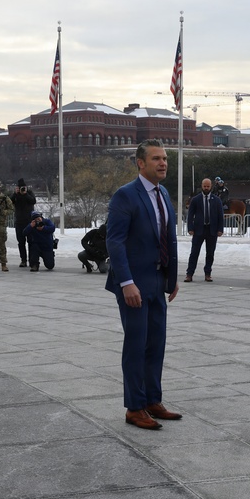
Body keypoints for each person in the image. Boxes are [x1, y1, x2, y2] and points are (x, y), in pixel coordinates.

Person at [105, 139, 181, 431]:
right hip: (133, 284)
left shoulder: (163, 194)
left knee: (155, 345)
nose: (163, 163)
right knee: (136, 346)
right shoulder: (126, 196)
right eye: (156, 159)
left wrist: (171, 278)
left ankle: (152, 400)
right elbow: (115, 241)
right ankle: (134, 408)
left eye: (164, 159)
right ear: (140, 163)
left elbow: (168, 239)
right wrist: (126, 282)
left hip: (157, 281)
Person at [185, 178, 224, 282]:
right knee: (194, 252)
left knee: (210, 253)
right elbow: (190, 215)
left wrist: (220, 229)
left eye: (208, 186)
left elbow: (221, 215)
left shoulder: (216, 200)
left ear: (210, 186)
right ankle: (189, 274)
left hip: (212, 230)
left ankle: (208, 273)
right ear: (202, 186)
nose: (206, 188)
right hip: (198, 230)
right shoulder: (195, 199)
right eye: (204, 186)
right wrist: (190, 228)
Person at [11, 178, 36, 267]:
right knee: (21, 242)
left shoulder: (29, 193)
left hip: (29, 222)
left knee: (31, 242)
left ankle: (31, 260)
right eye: (20, 188)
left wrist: (25, 194)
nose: (22, 189)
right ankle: (23, 260)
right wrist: (15, 193)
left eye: (23, 187)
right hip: (19, 221)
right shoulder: (16, 195)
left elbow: (33, 201)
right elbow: (10, 202)